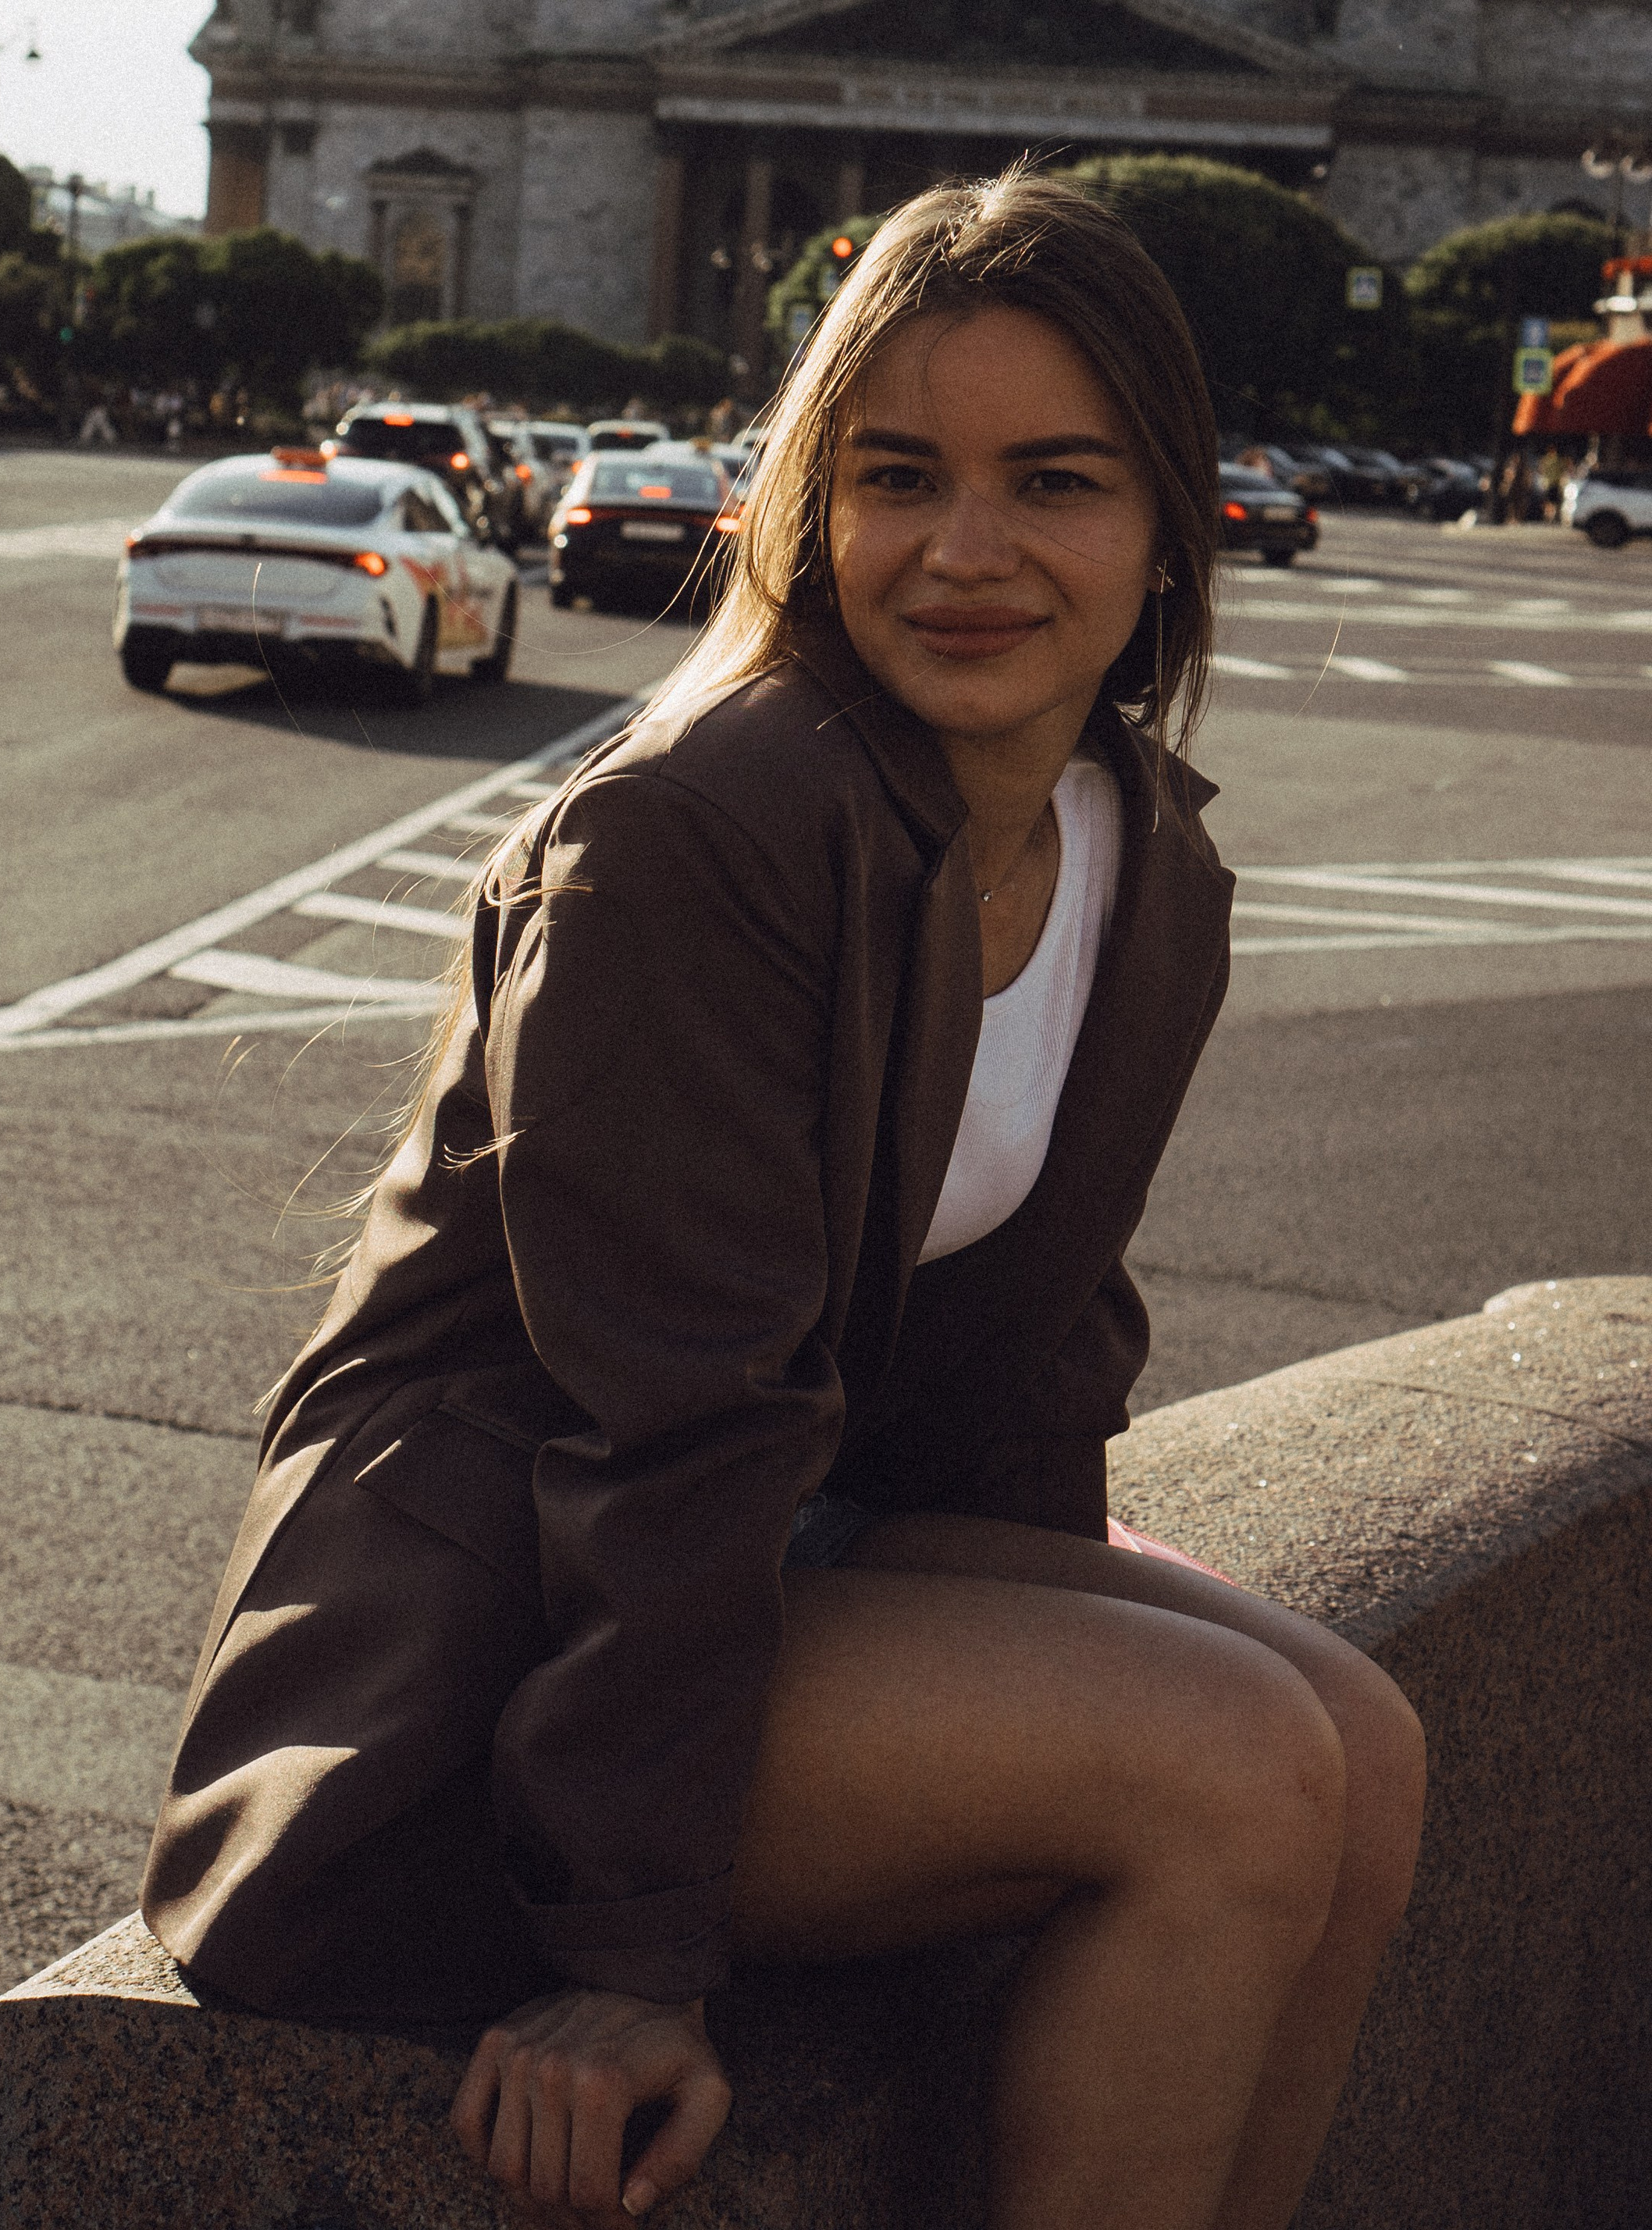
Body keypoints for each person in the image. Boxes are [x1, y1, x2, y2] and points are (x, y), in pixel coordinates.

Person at [142, 176, 1424, 2230]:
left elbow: (1031, 1361)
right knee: (1234, 1767)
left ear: (1171, 521)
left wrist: (1027, 1665)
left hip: (773, 1565)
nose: (967, 552)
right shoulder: (696, 829)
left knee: (1360, 1749)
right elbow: (671, 1417)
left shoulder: (1143, 857)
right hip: (490, 1663)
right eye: (897, 475)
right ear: (811, 505)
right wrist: (629, 1964)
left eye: (1057, 482)